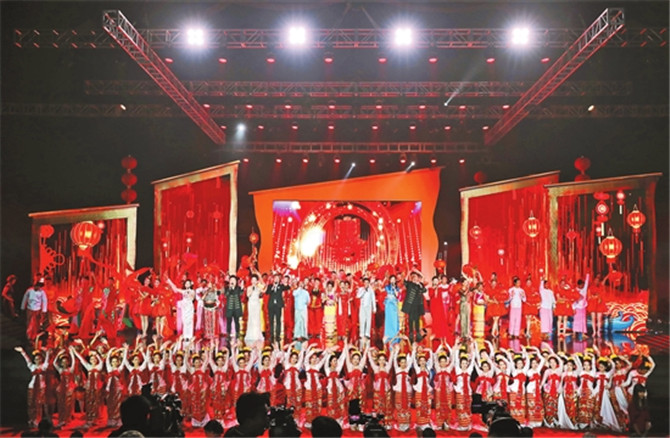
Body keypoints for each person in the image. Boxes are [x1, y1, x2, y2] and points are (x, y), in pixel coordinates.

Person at [402, 269, 426, 343]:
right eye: (414, 278)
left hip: (418, 305)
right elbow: (405, 281)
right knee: (411, 319)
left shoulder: (420, 285)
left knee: (417, 319)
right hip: (411, 305)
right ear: (412, 279)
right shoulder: (410, 284)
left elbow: (424, 290)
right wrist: (409, 272)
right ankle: (411, 333)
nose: (415, 279)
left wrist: (417, 272)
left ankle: (418, 333)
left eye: (416, 278)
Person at [266, 273, 287, 344]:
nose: (276, 279)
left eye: (278, 278)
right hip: (271, 305)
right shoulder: (270, 286)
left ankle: (278, 335)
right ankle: (271, 335)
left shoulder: (281, 286)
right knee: (271, 321)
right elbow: (267, 292)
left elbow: (287, 287)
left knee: (278, 321)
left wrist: (285, 282)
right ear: (273, 279)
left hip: (278, 305)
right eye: (275, 278)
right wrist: (272, 288)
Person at [245, 274, 265, 345]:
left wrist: (261, 281)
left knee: (257, 319)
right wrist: (252, 289)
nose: (253, 281)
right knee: (251, 318)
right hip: (251, 304)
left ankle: (257, 335)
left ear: (257, 281)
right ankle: (251, 334)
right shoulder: (249, 288)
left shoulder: (258, 288)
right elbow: (248, 295)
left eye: (255, 280)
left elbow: (264, 290)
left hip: (257, 304)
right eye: (252, 280)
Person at [357, 277, 376, 345]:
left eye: (367, 282)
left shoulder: (371, 290)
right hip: (362, 306)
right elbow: (358, 296)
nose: (366, 284)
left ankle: (367, 333)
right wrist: (364, 290)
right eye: (365, 282)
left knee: (368, 320)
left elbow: (373, 299)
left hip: (369, 306)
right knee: (362, 320)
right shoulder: (361, 289)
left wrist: (374, 308)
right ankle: (361, 333)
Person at [224, 276, 243, 341]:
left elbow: (241, 294)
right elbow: (226, 295)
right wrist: (230, 288)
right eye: (231, 280)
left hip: (236, 308)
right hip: (229, 308)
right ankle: (228, 334)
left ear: (236, 282)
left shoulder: (238, 288)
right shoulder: (227, 288)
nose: (232, 281)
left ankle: (237, 333)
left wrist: (242, 288)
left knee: (237, 321)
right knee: (228, 322)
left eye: (234, 280)